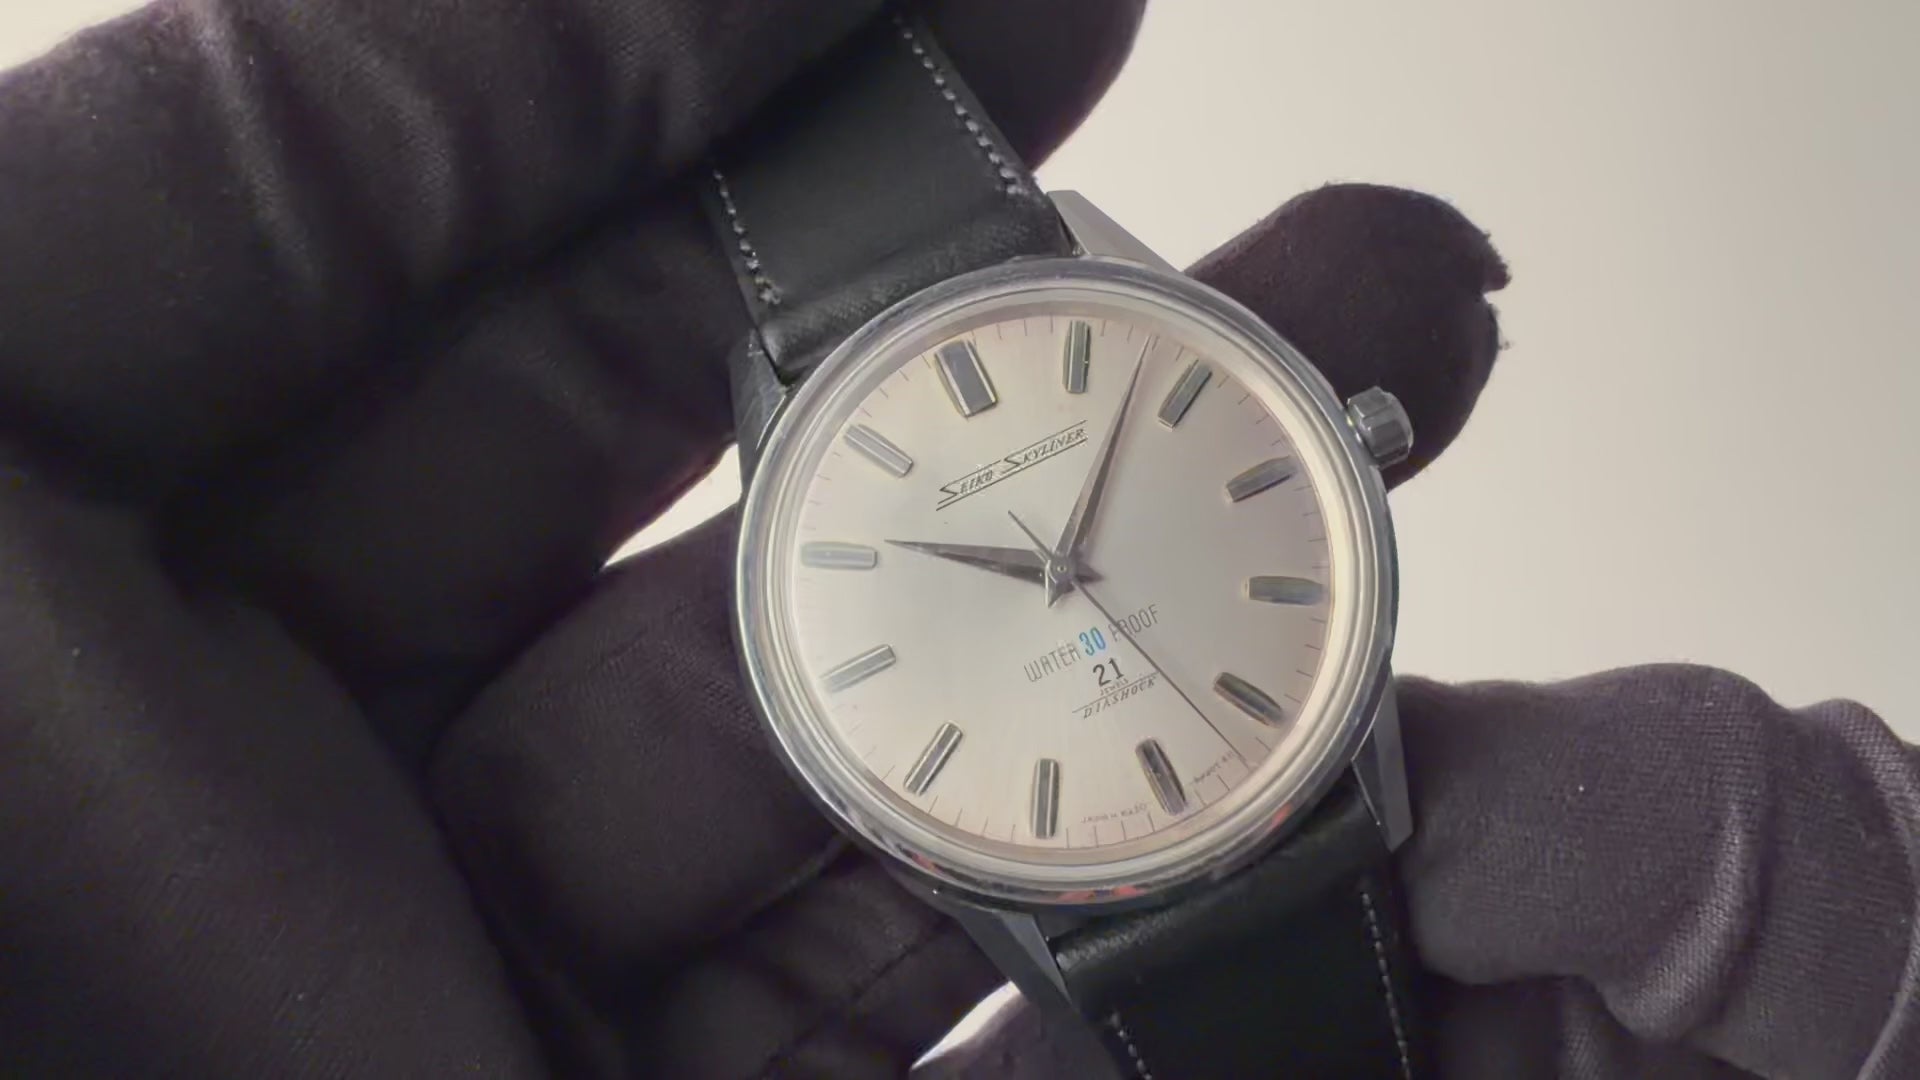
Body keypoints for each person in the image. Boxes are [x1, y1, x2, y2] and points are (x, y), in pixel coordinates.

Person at [0, 1, 1911, 1077]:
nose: (1063, 578)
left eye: (1057, 557)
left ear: (1345, 443)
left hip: (1253, 775)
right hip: (1057, 813)